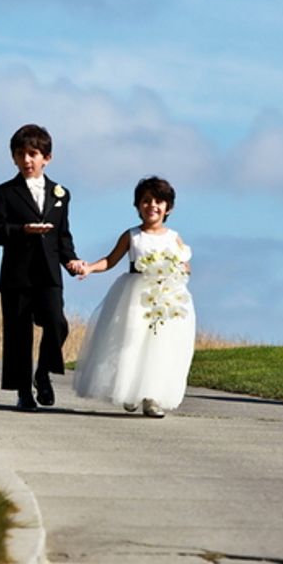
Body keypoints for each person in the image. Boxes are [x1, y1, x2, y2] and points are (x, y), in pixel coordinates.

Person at [73, 176, 195, 417]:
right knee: (131, 342)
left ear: (168, 208)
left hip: (165, 297)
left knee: (159, 346)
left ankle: (151, 397)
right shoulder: (132, 236)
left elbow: (185, 264)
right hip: (135, 297)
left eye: (158, 201)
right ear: (138, 205)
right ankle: (130, 391)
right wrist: (90, 268)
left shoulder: (173, 237)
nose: (152, 206)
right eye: (146, 201)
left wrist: (180, 269)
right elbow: (110, 260)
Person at [0, 123, 85, 411]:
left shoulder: (60, 194)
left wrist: (72, 261)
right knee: (19, 334)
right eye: (20, 154)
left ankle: (43, 374)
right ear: (13, 158)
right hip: (17, 276)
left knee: (57, 323)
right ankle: (23, 392)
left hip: (49, 274)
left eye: (33, 154)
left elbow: (62, 235)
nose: (27, 160)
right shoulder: (3, 193)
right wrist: (22, 230)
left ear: (46, 158)